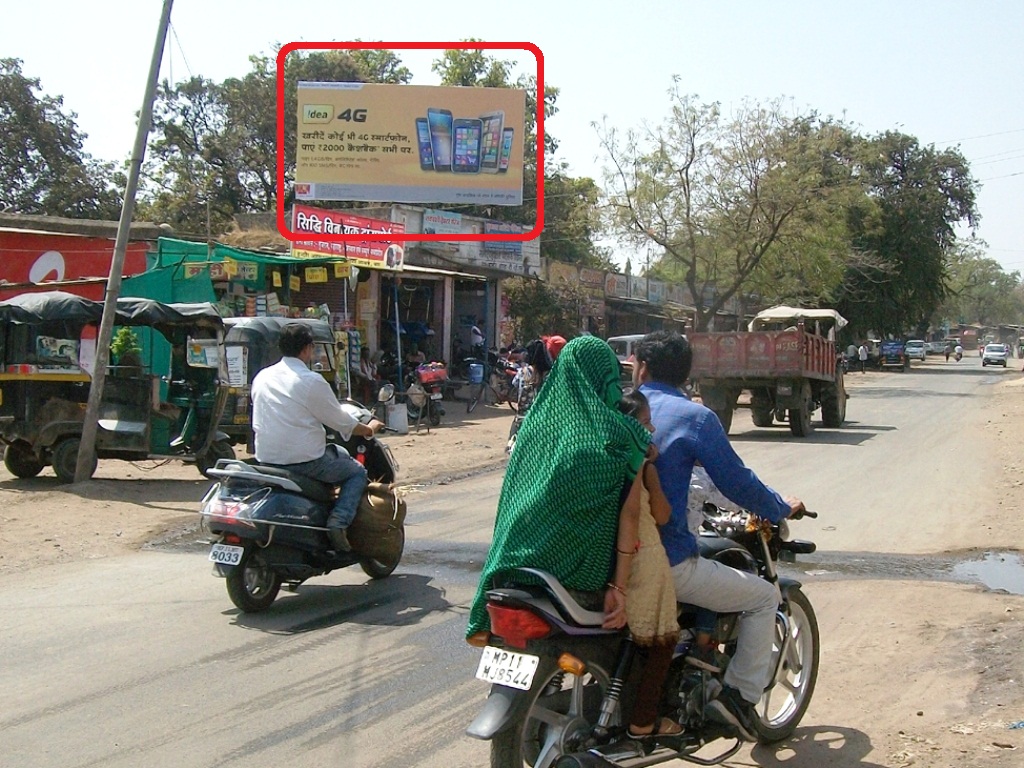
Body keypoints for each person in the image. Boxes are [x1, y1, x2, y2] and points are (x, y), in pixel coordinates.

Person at [633, 331, 805, 742]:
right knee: (763, 597)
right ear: (687, 373)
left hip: (607, 555)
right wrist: (779, 507)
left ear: (641, 366)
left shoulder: (614, 409)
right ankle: (740, 699)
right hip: (665, 559)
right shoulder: (695, 418)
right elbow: (735, 482)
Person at [466, 336, 652, 643]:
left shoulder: (533, 428)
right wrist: (617, 589)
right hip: (578, 574)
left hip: (513, 563)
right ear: (603, 377)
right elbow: (629, 517)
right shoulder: (621, 435)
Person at [251, 323, 384, 553]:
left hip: (266, 459)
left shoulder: (262, 377)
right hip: (306, 463)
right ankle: (338, 522)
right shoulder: (310, 380)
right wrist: (369, 429)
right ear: (307, 349)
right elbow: (341, 422)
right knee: (356, 472)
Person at [616, 390, 683, 738]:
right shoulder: (642, 467)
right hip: (647, 560)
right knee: (660, 645)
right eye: (644, 423)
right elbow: (662, 514)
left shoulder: (606, 456)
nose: (651, 428)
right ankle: (644, 721)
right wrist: (652, 470)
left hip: (618, 563)